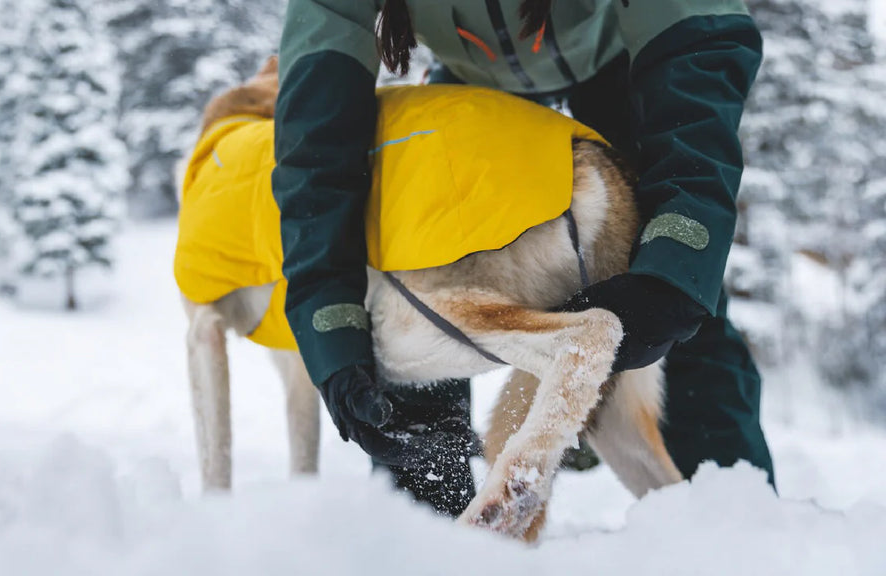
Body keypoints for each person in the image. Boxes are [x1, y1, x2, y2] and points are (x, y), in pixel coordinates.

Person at [271, 0, 776, 517]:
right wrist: (332, 322)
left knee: (679, 299)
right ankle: (428, 534)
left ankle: (739, 523)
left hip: (623, 55)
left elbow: (694, 34)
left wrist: (676, 268)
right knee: (421, 269)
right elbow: (317, 134)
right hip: (468, 75)